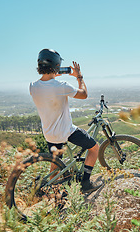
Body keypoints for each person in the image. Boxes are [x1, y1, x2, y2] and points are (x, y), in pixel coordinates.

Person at [29, 49, 102, 194]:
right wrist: (79, 76)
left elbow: (47, 85)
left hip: (49, 133)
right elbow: (84, 94)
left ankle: (54, 191)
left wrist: (53, 73)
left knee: (55, 164)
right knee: (94, 149)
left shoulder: (33, 86)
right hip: (66, 132)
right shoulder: (61, 86)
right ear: (56, 66)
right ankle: (86, 183)